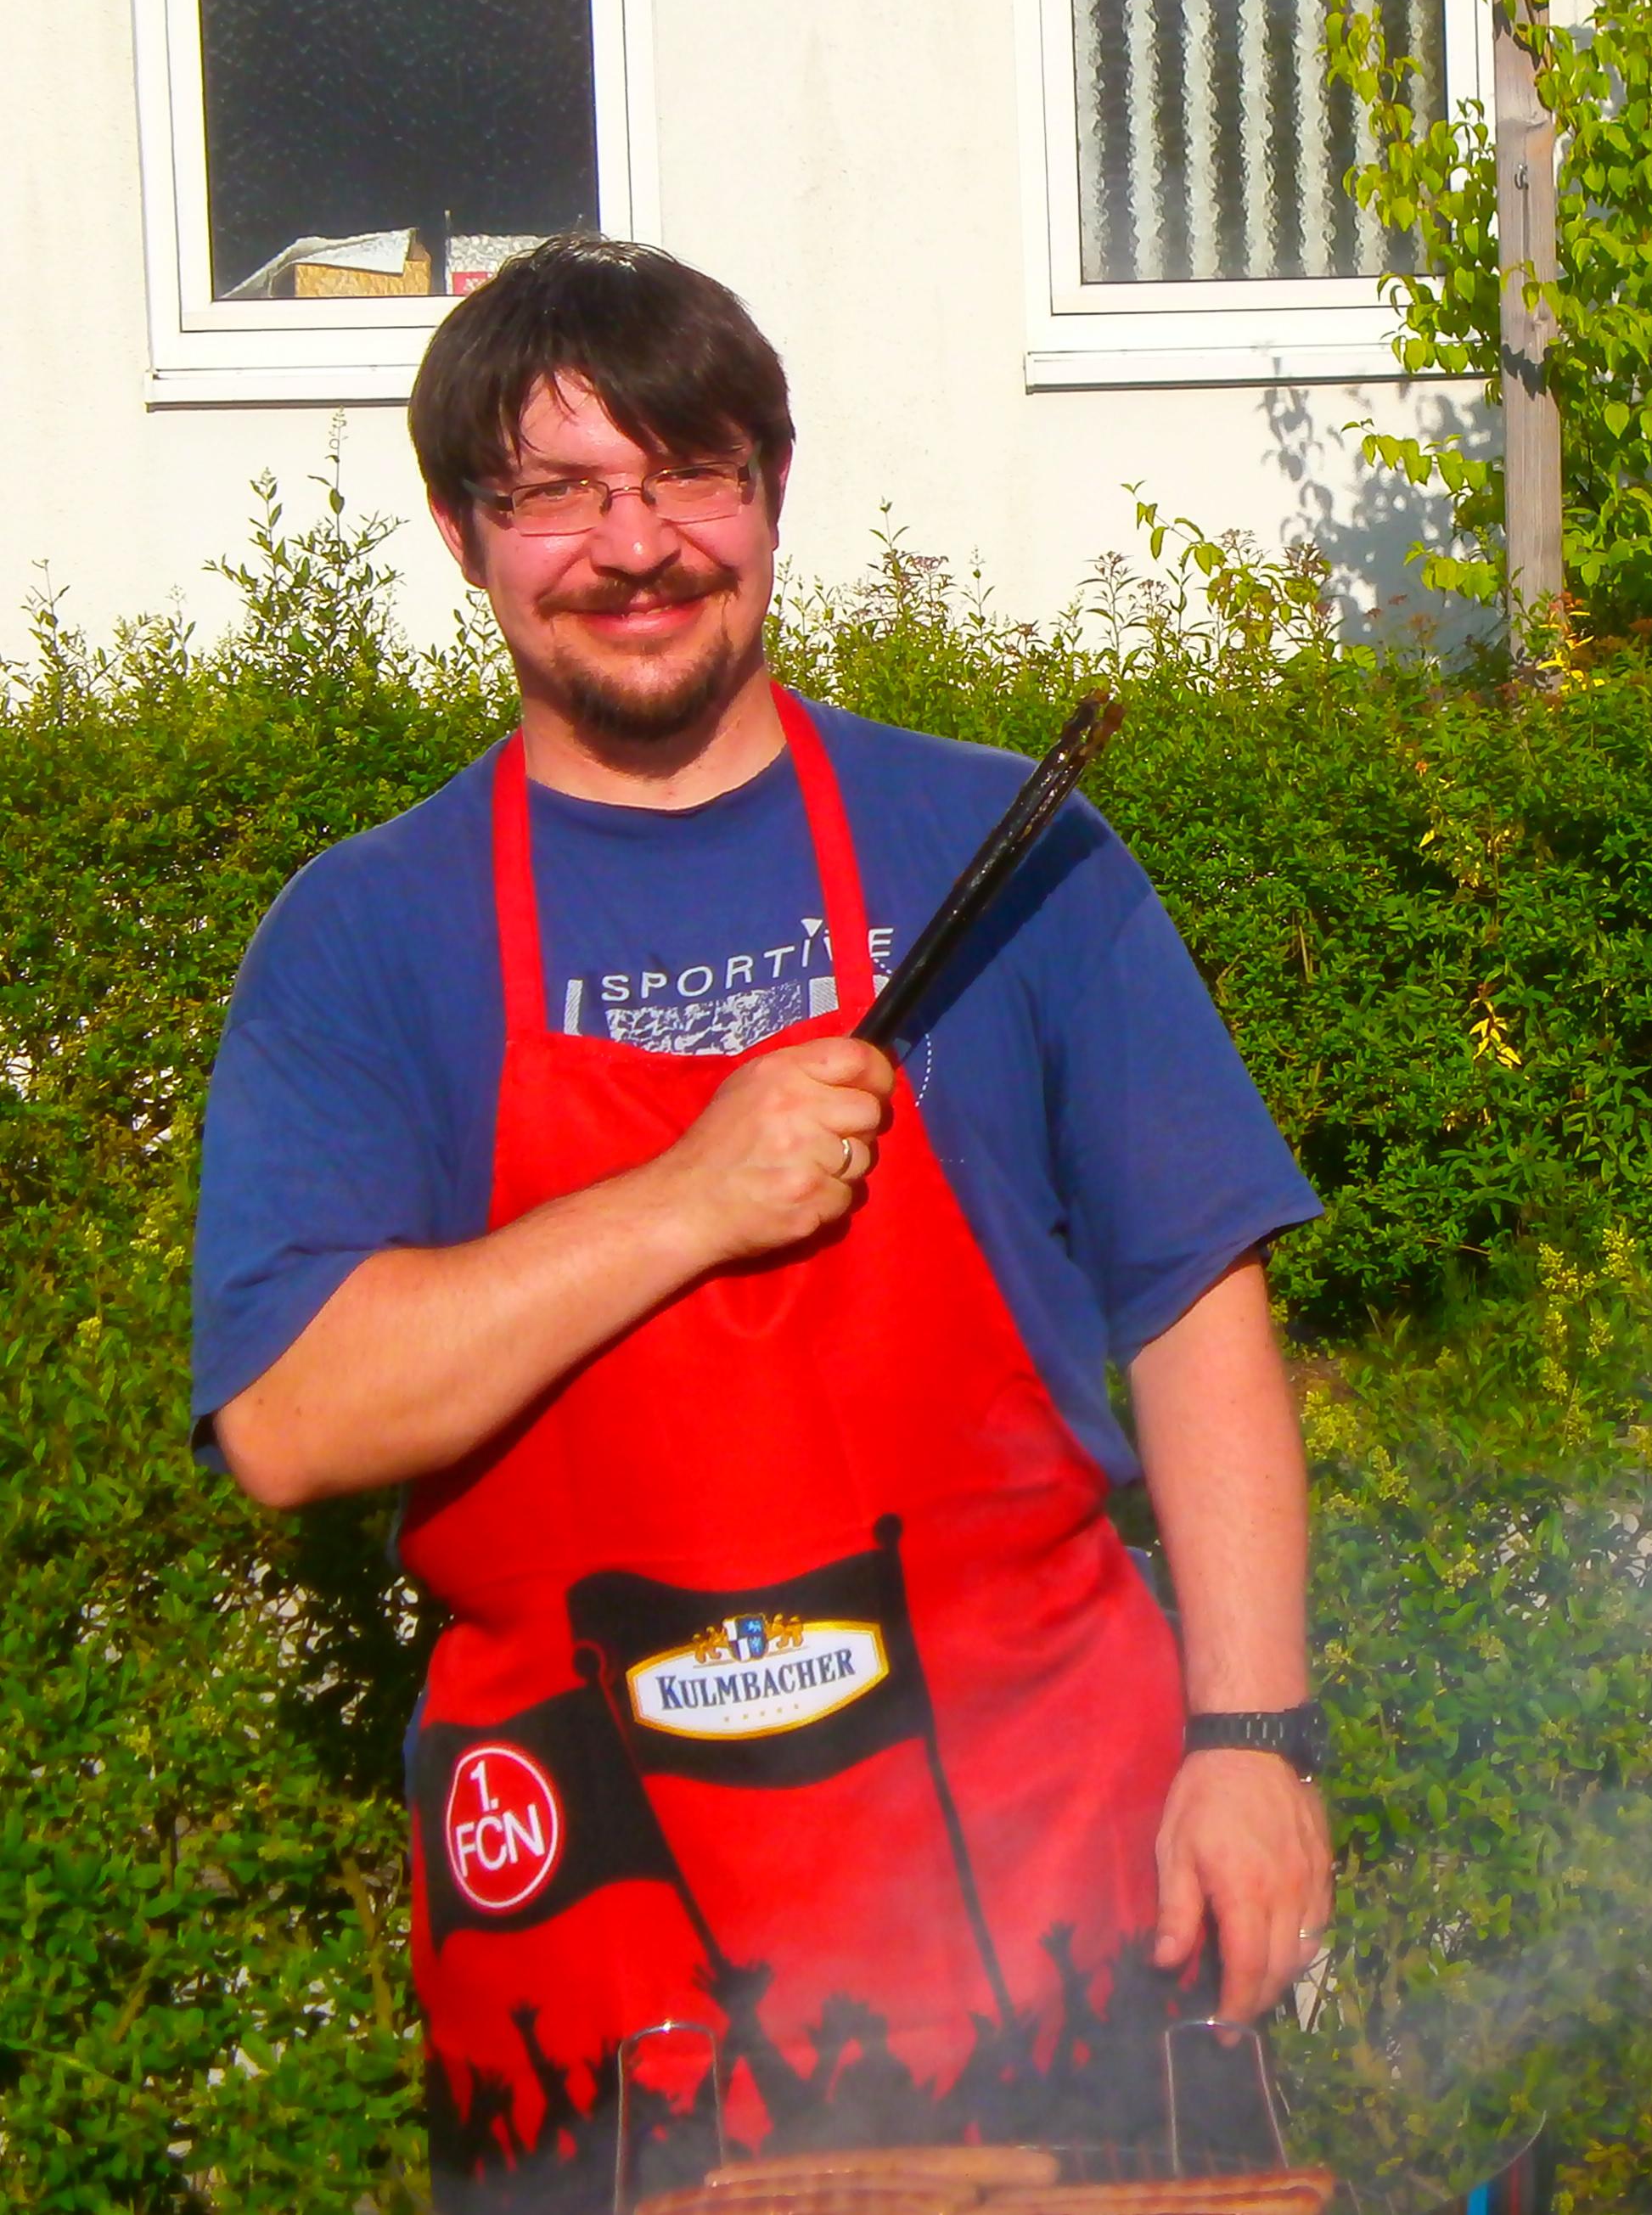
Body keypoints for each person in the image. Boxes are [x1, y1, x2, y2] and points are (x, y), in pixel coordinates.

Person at [192, 237, 1333, 2210]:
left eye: (689, 475)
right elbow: (292, 1415)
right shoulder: (366, 937)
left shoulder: (1010, 852)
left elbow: (1193, 1306)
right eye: (558, 493)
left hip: (1064, 1880)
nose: (636, 545)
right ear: (465, 536)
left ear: (773, 496)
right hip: (602, 1934)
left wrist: (1255, 1737)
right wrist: (688, 1197)